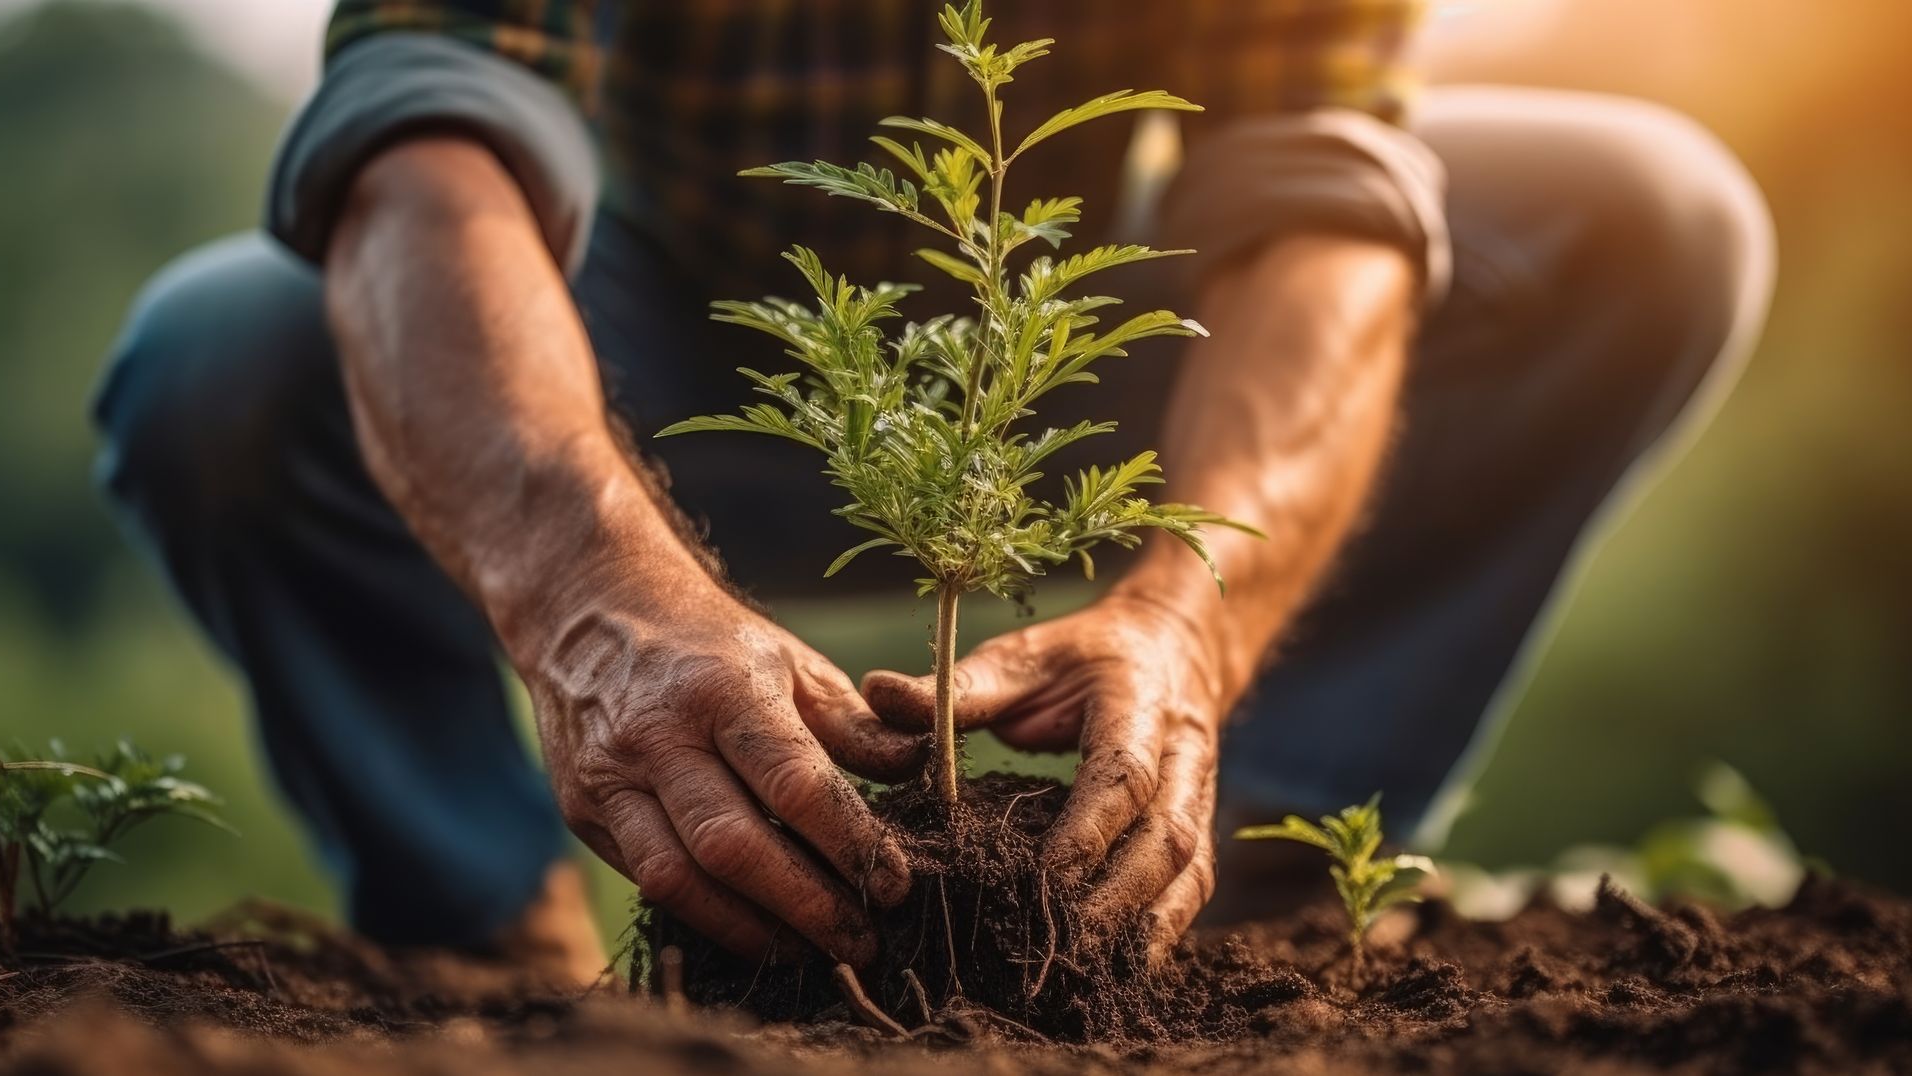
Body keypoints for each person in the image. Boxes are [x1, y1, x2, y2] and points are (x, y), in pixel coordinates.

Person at [92, 0, 1774, 987]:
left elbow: (1317, 173)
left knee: (1648, 221)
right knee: (224, 357)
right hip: (650, 362)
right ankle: (480, 944)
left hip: (1058, 356)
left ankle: (1229, 882)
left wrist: (1191, 613)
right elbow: (424, 124)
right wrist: (590, 593)